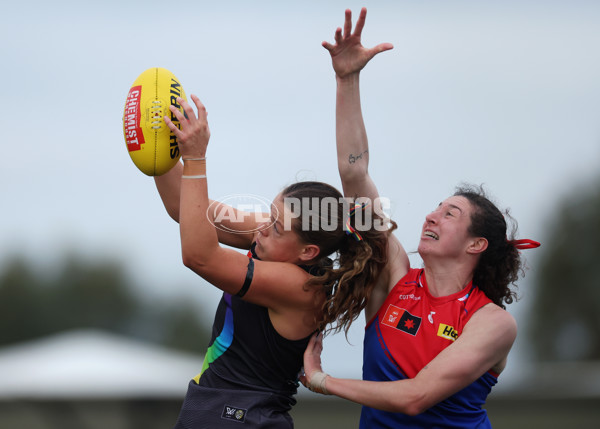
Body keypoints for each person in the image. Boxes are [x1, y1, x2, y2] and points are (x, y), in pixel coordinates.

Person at [300, 7, 540, 428]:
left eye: (450, 213)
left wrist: (323, 381)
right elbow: (355, 173)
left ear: (476, 244)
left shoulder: (493, 322)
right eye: (435, 207)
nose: (432, 215)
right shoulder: (396, 277)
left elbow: (416, 396)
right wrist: (347, 79)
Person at [154, 94, 391, 428]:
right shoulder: (273, 240)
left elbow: (200, 257)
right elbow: (186, 209)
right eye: (270, 214)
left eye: (277, 226)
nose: (262, 227)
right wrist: (157, 150)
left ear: (308, 252)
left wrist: (195, 158)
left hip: (243, 419)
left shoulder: (303, 287)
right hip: (220, 412)